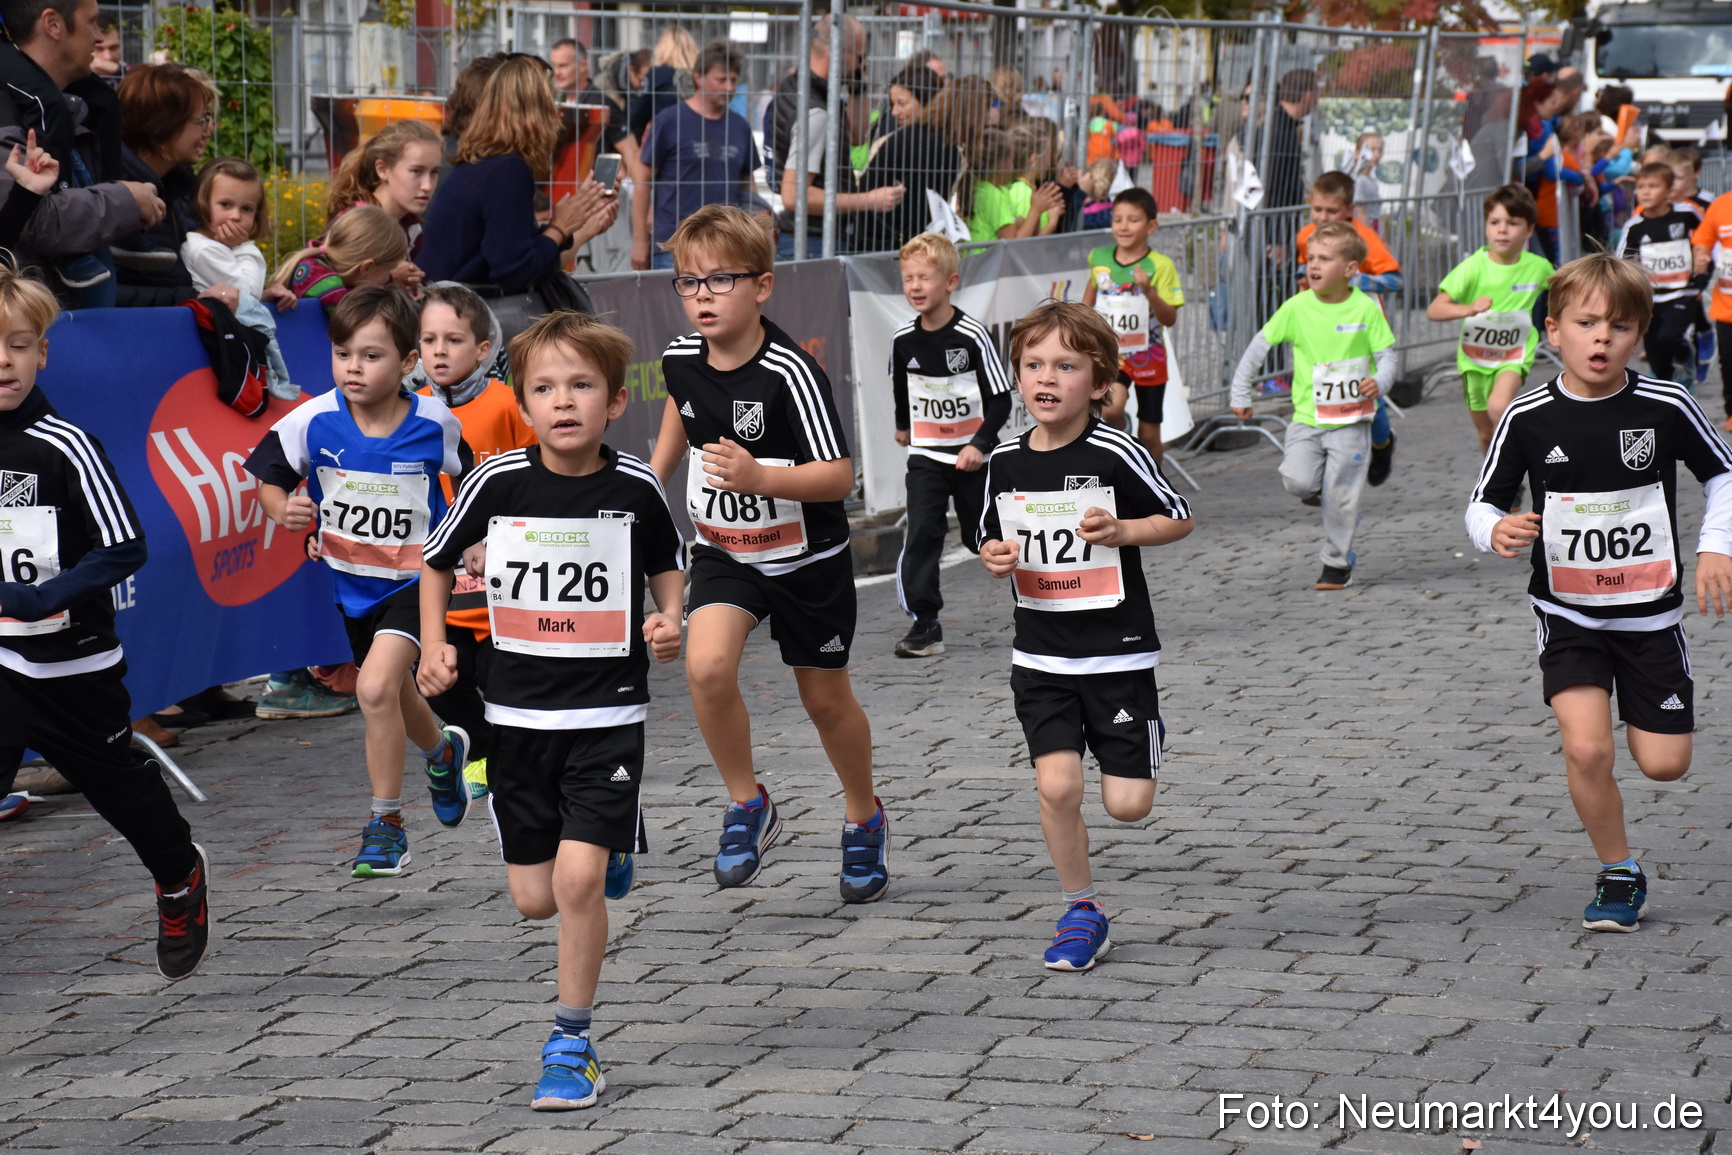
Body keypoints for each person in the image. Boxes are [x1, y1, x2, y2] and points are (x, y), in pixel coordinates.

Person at [419, 311, 683, 1111]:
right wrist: (435, 644)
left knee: (576, 882)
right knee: (536, 896)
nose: (563, 401)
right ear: (522, 404)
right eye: (544, 388)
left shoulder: (634, 485)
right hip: (516, 720)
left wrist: (669, 620)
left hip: (606, 716)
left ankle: (571, 1040)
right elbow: (435, 563)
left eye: (581, 386)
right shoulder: (496, 481)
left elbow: (668, 565)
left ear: (612, 402)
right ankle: (610, 844)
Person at [1467, 252, 1732, 933]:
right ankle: (1619, 870)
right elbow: (1482, 501)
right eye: (1585, 323)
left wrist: (1714, 547)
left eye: (1618, 326)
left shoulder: (1666, 404)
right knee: (1587, 748)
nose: (1600, 338)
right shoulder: (1527, 415)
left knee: (1665, 763)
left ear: (1639, 335)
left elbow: (1724, 476)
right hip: (1568, 614)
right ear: (1553, 331)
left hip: (1650, 617)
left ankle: (1634, 823)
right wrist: (1497, 528)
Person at [646, 204, 887, 902]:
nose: (701, 297)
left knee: (824, 699)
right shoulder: (681, 358)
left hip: (808, 560)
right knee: (708, 663)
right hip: (727, 552)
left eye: (719, 280)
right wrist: (653, 470)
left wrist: (761, 478)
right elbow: (680, 407)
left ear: (762, 286)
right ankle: (748, 802)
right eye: (687, 283)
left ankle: (863, 815)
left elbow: (840, 476)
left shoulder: (791, 373)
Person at [0, 265, 211, 980]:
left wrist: (49, 593)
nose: (4, 360)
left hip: (73, 663)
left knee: (118, 788)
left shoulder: (66, 445)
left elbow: (125, 544)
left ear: (43, 353)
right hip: (3, 661)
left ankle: (180, 875)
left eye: (19, 344)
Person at [977, 300, 1193, 971]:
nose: (1047, 377)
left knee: (1127, 805)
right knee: (1058, 786)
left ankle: (1137, 741)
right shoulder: (1006, 460)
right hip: (1040, 655)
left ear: (1099, 382)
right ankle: (1082, 908)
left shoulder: (1113, 449)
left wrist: (1124, 530)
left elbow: (1177, 515)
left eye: (1066, 365)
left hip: (1118, 653)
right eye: (1034, 364)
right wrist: (993, 554)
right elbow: (987, 532)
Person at [245, 286, 474, 879]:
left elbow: (473, 479)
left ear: (407, 363)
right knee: (395, 695)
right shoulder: (313, 418)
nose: (353, 367)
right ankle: (443, 754)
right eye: (343, 352)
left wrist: (470, 539)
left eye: (371, 356)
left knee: (373, 689)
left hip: (415, 585)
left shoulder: (432, 422)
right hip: (351, 589)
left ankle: (386, 824)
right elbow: (268, 474)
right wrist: (280, 510)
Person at [411, 281, 535, 797]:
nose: (439, 351)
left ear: (483, 350)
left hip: (506, 589)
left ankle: (512, 761)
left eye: (454, 340)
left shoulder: (509, 404)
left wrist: (499, 535)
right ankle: (479, 751)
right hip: (442, 588)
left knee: (503, 683)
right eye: (428, 339)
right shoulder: (409, 407)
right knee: (441, 684)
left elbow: (536, 476)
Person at [1229, 221, 1396, 590]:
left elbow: (1387, 356)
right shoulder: (1296, 307)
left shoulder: (1365, 308)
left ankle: (1337, 564)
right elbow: (1258, 347)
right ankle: (1327, 494)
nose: (1312, 266)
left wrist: (1380, 381)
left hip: (1353, 420)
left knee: (1341, 496)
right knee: (1298, 482)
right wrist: (1240, 393)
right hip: (1307, 418)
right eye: (1310, 258)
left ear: (1351, 269)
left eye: (1324, 258)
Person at [889, 232, 1013, 659]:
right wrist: (903, 425)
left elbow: (1000, 398)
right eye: (908, 278)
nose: (916, 287)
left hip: (973, 459)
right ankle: (926, 624)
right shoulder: (903, 339)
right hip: (926, 456)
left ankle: (1040, 605)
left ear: (951, 281)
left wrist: (980, 444)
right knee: (923, 532)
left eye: (925, 277)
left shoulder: (972, 335)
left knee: (988, 537)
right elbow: (903, 389)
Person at [0, 0, 164, 308]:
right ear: (53, 24)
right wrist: (125, 201)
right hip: (28, 332)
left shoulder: (83, 106)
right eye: (92, 22)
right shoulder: (15, 107)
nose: (99, 37)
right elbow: (32, 221)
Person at [420, 54, 616, 295]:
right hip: (456, 313)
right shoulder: (506, 170)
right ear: (536, 111)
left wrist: (575, 218)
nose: (557, 115)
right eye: (552, 102)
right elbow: (514, 271)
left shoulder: (484, 162)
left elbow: (509, 251)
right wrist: (560, 227)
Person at [1427, 184, 1554, 453]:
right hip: (1474, 359)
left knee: (1499, 407)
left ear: (1529, 230)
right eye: (1494, 222)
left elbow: (1568, 290)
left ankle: (1523, 460)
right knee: (1486, 435)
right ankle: (1499, 480)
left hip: (1514, 355)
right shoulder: (1473, 266)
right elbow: (1435, 310)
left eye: (1513, 222)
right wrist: (1468, 309)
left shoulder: (1538, 267)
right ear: (1486, 226)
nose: (1502, 229)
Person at [1295, 171, 1403, 484]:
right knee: (1319, 379)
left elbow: (1396, 279)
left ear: (1349, 210)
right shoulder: (1305, 235)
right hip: (1321, 321)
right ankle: (1320, 463)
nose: (1323, 218)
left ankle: (1382, 442)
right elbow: (1306, 265)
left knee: (1365, 387)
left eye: (1332, 211)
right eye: (1317, 210)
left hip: (1362, 324)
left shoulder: (1364, 239)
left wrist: (1357, 279)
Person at [632, 39, 768, 272]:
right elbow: (642, 182)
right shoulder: (669, 120)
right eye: (721, 79)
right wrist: (639, 241)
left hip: (725, 246)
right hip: (673, 246)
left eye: (734, 80)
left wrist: (754, 232)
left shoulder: (739, 126)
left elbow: (749, 188)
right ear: (698, 77)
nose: (729, 87)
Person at [770, 13, 895, 260]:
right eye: (860, 57)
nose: (863, 64)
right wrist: (869, 200)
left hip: (806, 238)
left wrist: (858, 83)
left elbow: (858, 136)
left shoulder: (797, 86)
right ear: (839, 53)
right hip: (814, 243)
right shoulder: (816, 111)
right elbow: (794, 196)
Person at [180, 156, 300, 400]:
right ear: (204, 204)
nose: (235, 216)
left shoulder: (222, 248)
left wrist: (265, 295)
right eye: (225, 204)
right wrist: (244, 246)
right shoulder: (204, 249)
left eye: (246, 209)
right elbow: (247, 290)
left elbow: (244, 292)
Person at [1082, 187, 1183, 463]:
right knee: (1113, 407)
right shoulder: (1098, 258)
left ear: (1151, 226)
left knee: (1150, 434)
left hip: (1150, 356)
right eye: (1117, 219)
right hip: (1112, 354)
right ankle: (1123, 447)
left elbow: (1170, 319)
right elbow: (1086, 305)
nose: (1123, 226)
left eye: (1132, 220)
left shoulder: (1160, 265)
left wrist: (1149, 291)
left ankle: (1153, 486)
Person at [1615, 161, 1709, 387]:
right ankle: (1669, 386)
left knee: (1671, 336)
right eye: (1641, 186)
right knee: (1656, 351)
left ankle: (1687, 359)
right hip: (1652, 297)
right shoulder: (1634, 226)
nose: (1645, 192)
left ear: (1669, 192)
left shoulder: (1687, 214)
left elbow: (1707, 238)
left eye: (1653, 186)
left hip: (1683, 291)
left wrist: (1703, 270)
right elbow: (1622, 262)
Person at [853, 62, 960, 254]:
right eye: (893, 104)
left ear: (927, 100)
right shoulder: (937, 140)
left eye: (902, 104)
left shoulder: (915, 140)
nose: (894, 112)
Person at [325, 118, 442, 283]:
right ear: (383, 169)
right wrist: (389, 277)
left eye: (434, 172)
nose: (427, 185)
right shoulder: (357, 222)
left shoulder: (411, 227)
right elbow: (326, 283)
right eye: (416, 171)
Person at [271, 203, 408, 306]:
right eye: (389, 271)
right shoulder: (317, 275)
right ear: (367, 267)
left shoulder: (333, 272)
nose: (388, 279)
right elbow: (353, 321)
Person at [1691, 188, 1732, 429]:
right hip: (1727, 306)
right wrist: (1702, 256)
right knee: (1729, 360)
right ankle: (1731, 410)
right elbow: (1703, 239)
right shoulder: (1722, 205)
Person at [1350, 131, 1383, 229]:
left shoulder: (1371, 179)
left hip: (1373, 224)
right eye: (1372, 150)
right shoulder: (1358, 179)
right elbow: (1359, 209)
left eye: (1380, 150)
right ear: (1358, 152)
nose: (1377, 155)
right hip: (1366, 227)